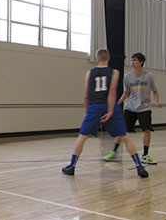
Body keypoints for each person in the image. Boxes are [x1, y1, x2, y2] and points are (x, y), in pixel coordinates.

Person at [61, 49, 148, 178]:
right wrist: (111, 111)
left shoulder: (89, 73)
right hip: (109, 105)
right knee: (124, 137)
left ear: (97, 59)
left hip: (94, 106)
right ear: (108, 59)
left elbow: (86, 95)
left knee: (82, 137)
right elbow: (112, 92)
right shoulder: (114, 72)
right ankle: (139, 167)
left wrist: (87, 112)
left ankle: (72, 166)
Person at [104, 52, 162, 164]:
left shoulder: (149, 76)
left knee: (147, 130)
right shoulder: (127, 77)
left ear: (141, 62)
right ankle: (114, 151)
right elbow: (126, 93)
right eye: (131, 60)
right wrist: (118, 103)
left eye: (135, 60)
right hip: (130, 107)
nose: (132, 62)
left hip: (144, 108)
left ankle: (145, 155)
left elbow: (155, 91)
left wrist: (157, 101)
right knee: (123, 131)